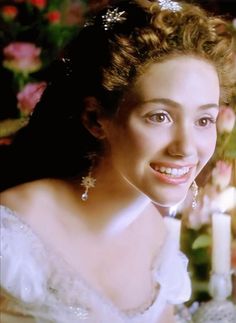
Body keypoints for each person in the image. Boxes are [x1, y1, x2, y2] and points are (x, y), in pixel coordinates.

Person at [0, 0, 235, 322]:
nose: (186, 148)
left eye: (204, 120)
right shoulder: (14, 233)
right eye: (160, 116)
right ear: (96, 119)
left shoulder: (157, 234)